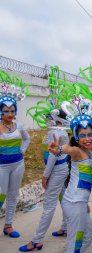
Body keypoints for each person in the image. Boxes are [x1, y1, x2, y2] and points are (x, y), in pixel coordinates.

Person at [20, 109, 70, 251]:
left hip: (56, 170)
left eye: (49, 117)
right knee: (64, 199)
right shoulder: (59, 131)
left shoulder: (56, 132)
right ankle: (66, 227)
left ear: (57, 119)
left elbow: (53, 156)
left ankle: (37, 240)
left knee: (49, 205)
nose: (47, 119)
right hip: (60, 169)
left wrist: (45, 176)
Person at [47, 113, 92, 253]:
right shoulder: (76, 151)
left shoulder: (90, 152)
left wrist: (85, 203)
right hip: (74, 202)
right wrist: (57, 150)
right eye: (82, 136)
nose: (87, 139)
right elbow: (66, 149)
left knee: (88, 236)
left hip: (80, 202)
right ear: (76, 137)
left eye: (90, 134)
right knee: (75, 241)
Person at [0, 83, 30, 239]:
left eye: (12, 111)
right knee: (1, 194)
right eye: (6, 111)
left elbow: (27, 139)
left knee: (12, 195)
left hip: (18, 164)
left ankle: (8, 226)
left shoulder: (18, 126)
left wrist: (23, 150)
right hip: (2, 166)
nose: (10, 114)